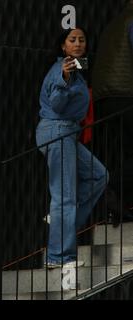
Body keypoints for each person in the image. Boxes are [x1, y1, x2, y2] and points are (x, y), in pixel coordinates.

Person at [35, 28, 108, 268]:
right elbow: (56, 103)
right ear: (63, 46)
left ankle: (60, 224)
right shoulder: (63, 69)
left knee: (99, 176)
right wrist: (65, 81)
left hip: (67, 133)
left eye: (82, 40)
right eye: (72, 40)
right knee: (64, 196)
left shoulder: (75, 70)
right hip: (57, 130)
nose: (78, 44)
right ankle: (59, 257)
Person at [92, 0, 133, 226]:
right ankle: (114, 190)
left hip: (106, 98)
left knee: (130, 153)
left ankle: (119, 206)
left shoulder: (114, 23)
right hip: (126, 94)